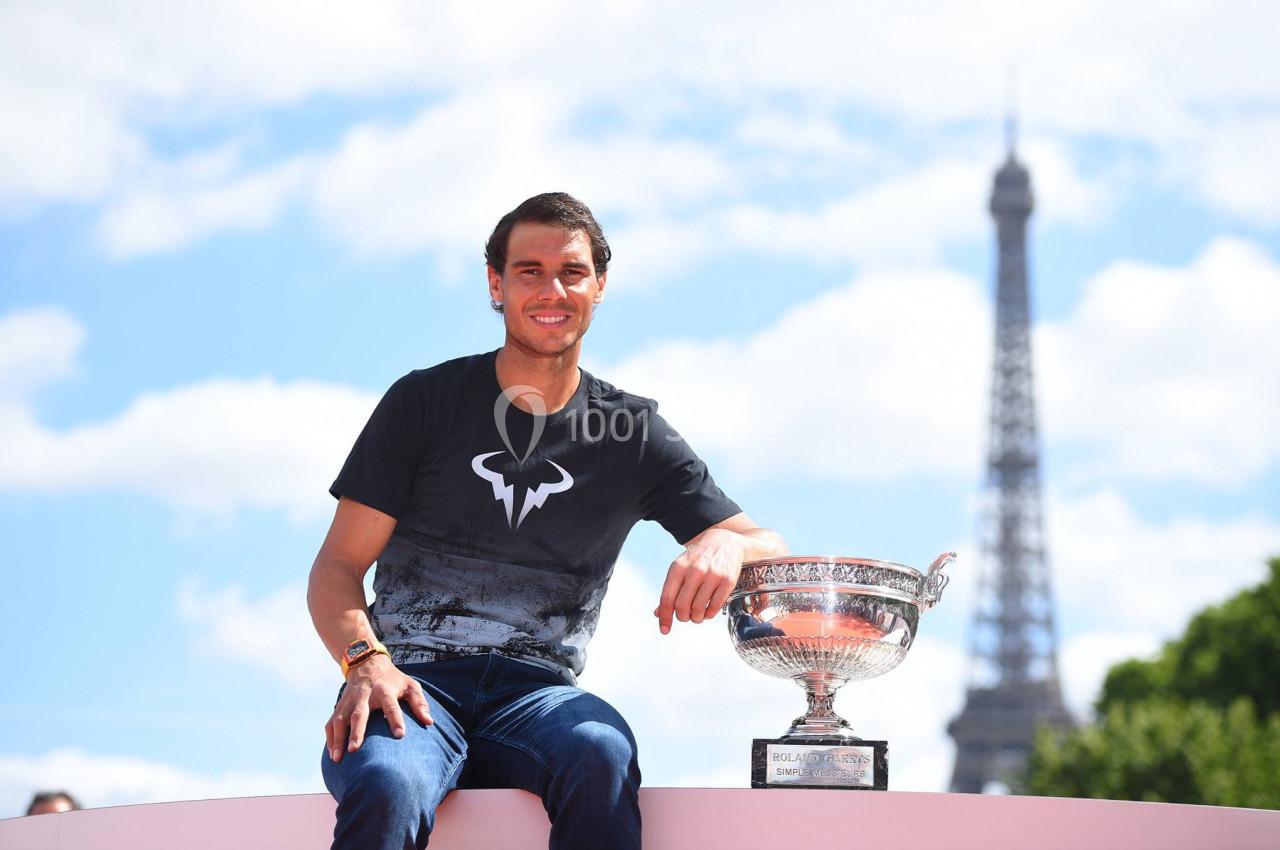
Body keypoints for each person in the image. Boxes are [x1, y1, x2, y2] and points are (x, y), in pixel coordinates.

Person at [308, 192, 787, 850]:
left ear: (599, 286)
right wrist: (367, 664)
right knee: (389, 784)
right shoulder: (423, 402)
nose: (551, 289)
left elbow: (767, 545)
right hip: (412, 685)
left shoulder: (631, 432)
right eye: (529, 271)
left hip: (537, 698)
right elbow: (337, 568)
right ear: (496, 285)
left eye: (571, 271)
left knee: (600, 750)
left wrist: (726, 549)